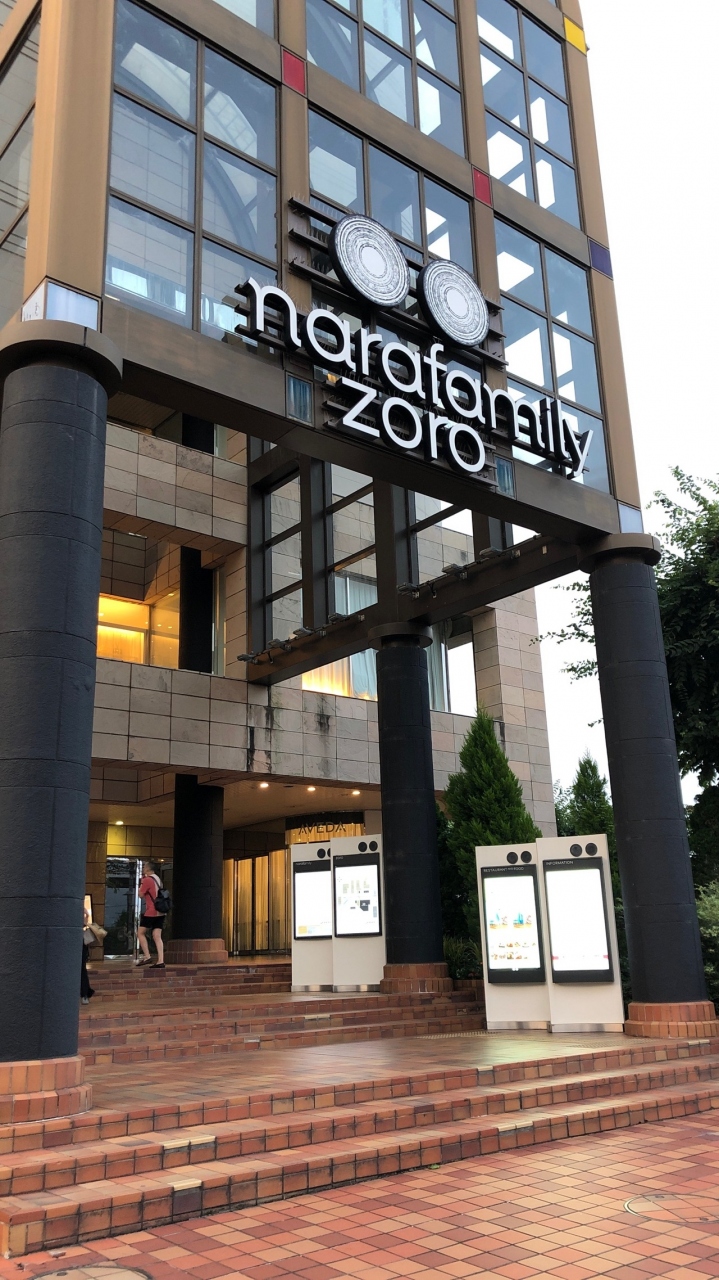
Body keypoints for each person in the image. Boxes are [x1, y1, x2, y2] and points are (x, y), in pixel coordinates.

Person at [136, 861, 166, 968]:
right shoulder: (158, 879)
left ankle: (147, 956)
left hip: (151, 911)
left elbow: (140, 894)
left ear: (148, 869)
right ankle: (161, 960)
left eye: (144, 866)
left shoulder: (147, 880)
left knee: (140, 933)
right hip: (161, 911)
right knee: (157, 935)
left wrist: (141, 883)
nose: (143, 868)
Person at [81, 908, 96, 1004]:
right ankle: (85, 994)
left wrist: (86, 915)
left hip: (78, 943)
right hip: (80, 943)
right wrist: (86, 915)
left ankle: (85, 993)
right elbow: (84, 922)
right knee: (82, 969)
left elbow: (84, 923)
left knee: (82, 969)